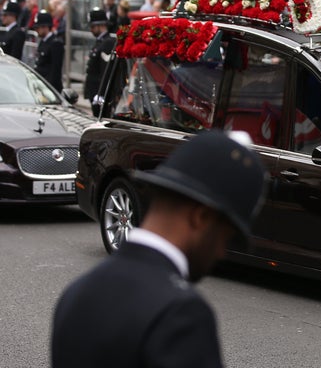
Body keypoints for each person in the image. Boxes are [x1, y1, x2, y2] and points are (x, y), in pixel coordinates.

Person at [51, 130, 267, 368]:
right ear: (201, 218)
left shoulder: (77, 292)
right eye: (226, 237)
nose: (221, 252)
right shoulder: (180, 314)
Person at [84, 7, 116, 116]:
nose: (91, 30)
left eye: (93, 26)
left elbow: (106, 71)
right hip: (94, 92)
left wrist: (102, 93)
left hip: (99, 92)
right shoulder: (100, 42)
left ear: (101, 25)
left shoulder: (107, 43)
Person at [33, 10, 65, 92]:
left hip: (49, 87)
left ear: (46, 27)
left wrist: (49, 88)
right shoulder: (43, 42)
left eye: (38, 27)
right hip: (41, 84)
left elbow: (55, 70)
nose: (36, 30)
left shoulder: (55, 43)